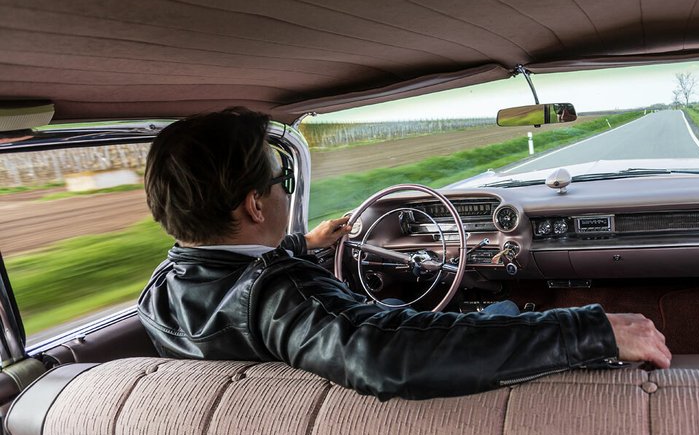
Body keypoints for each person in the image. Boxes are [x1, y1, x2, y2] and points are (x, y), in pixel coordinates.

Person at [137, 109, 670, 400]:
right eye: (280, 181)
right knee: (500, 315)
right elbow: (384, 353)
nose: (284, 192)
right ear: (255, 204)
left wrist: (304, 243)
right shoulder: (281, 293)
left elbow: (231, 283)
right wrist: (587, 329)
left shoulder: (160, 290)